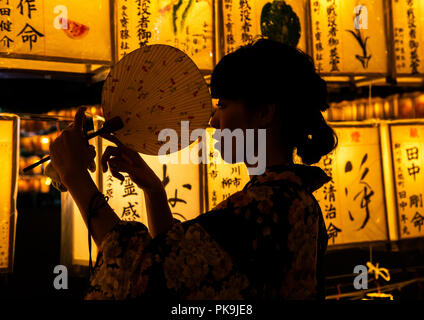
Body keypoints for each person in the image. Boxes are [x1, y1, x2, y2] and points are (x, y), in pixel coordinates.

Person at [49, 38, 337, 300]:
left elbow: (142, 273)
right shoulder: (288, 200)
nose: (214, 122)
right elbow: (184, 268)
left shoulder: (267, 209)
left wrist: (75, 178)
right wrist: (154, 191)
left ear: (263, 112)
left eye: (223, 105)